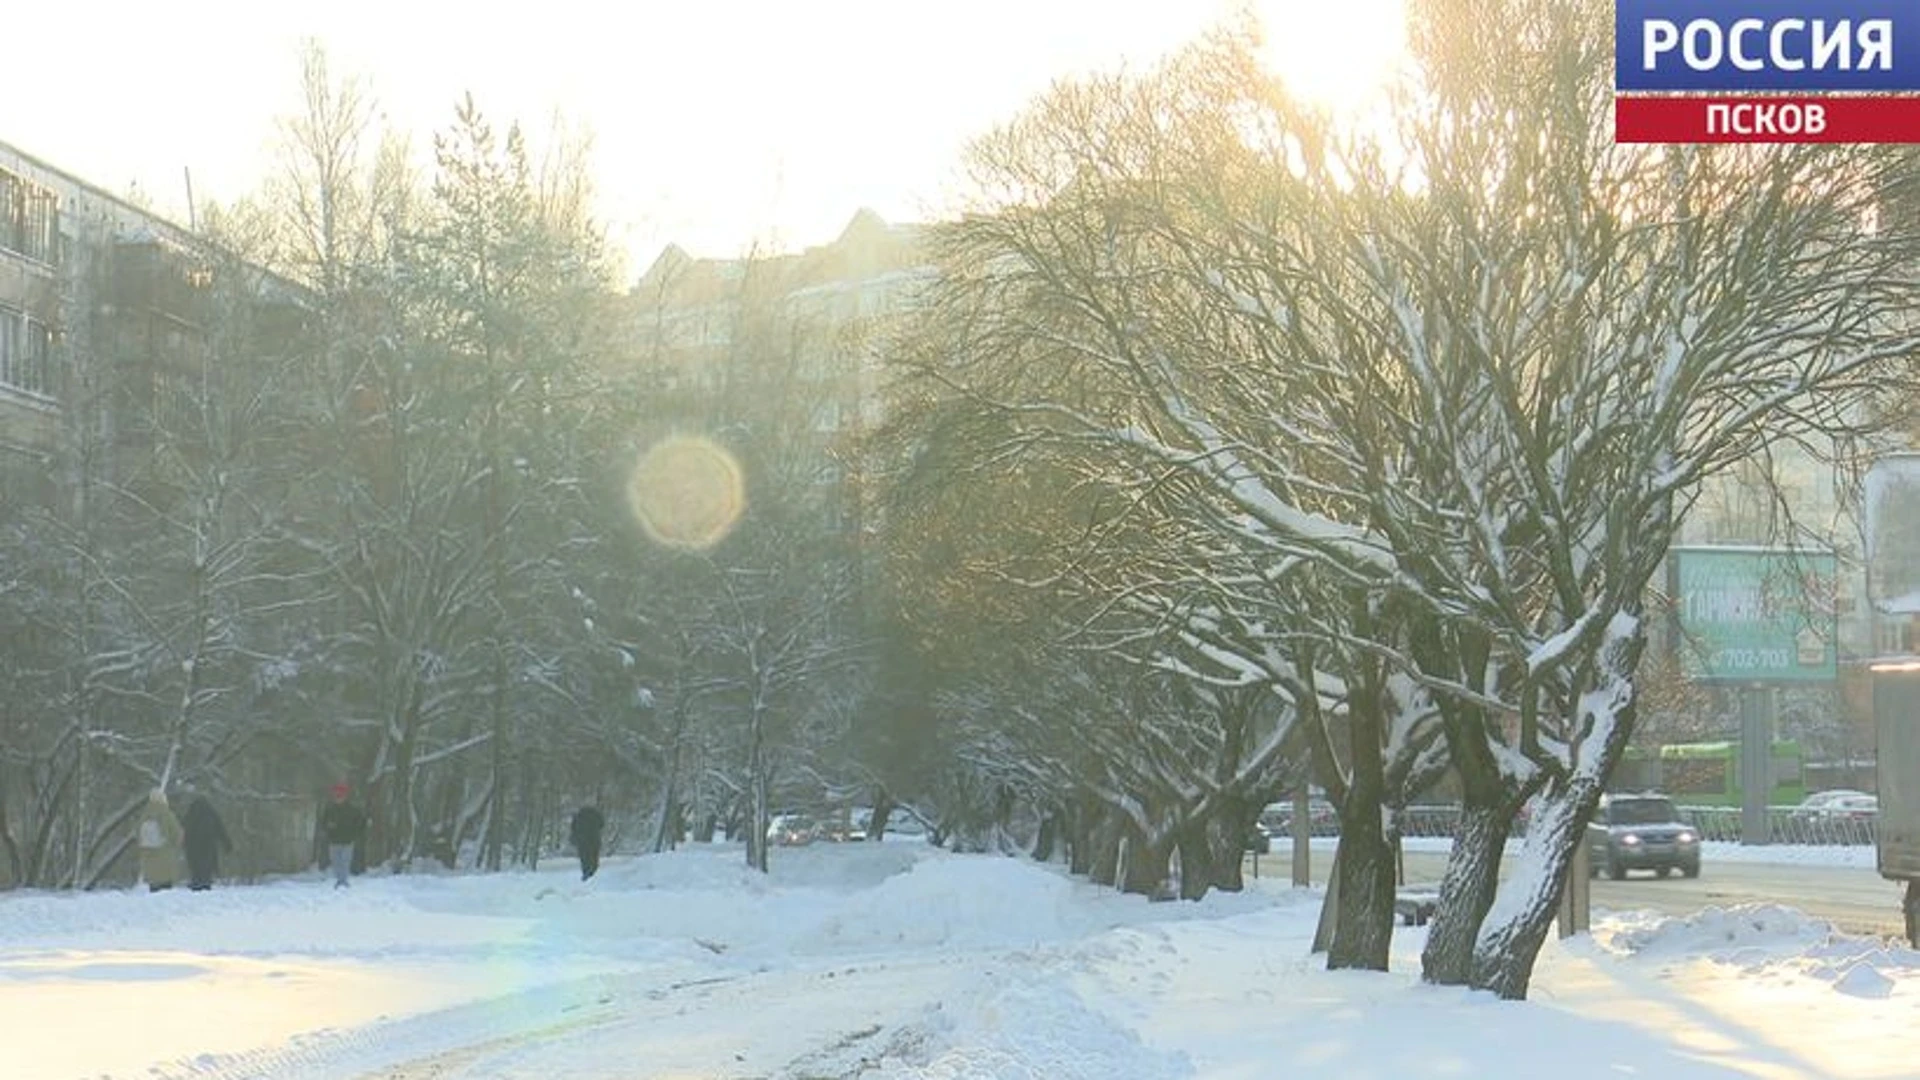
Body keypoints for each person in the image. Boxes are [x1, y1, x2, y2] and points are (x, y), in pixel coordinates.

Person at [181, 794, 233, 891]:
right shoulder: (211, 814)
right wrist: (227, 844)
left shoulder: (190, 814)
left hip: (193, 847)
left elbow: (183, 829)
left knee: (195, 866)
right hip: (208, 846)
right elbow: (220, 829)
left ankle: (196, 882)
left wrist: (182, 844)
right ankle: (205, 882)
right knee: (206, 866)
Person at [319, 783, 367, 889]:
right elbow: (323, 823)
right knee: (336, 863)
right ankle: (340, 880)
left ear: (345, 796)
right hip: (334, 840)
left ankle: (343, 882)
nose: (338, 798)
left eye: (340, 795)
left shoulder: (352, 810)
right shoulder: (330, 809)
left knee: (345, 862)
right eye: (336, 795)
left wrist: (355, 834)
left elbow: (361, 822)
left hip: (348, 841)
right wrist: (328, 829)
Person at [136, 788, 184, 892]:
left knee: (154, 887)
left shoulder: (144, 815)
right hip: (164, 854)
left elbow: (138, 835)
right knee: (165, 888)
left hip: (148, 856)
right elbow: (177, 833)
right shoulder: (167, 814)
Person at [570, 805, 606, 881]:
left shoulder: (578, 816)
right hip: (595, 839)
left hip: (582, 840)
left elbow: (573, 828)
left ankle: (586, 872)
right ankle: (593, 871)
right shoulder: (596, 815)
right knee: (594, 855)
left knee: (584, 857)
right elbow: (602, 824)